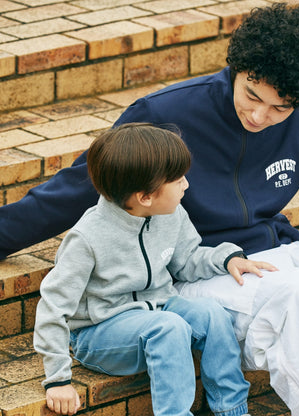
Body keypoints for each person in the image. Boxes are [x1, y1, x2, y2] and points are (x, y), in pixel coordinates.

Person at [1, 2, 299, 415]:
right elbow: (76, 189)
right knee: (298, 295)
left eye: (279, 108)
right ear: (238, 68)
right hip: (199, 276)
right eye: (252, 95)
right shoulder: (165, 114)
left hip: (270, 259)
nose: (259, 115)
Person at [34, 123, 275, 416]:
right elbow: (53, 307)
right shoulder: (87, 238)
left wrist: (226, 259)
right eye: (178, 180)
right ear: (145, 197)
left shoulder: (170, 214)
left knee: (212, 314)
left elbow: (187, 259)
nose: (186, 185)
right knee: (169, 327)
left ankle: (232, 410)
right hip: (100, 332)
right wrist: (58, 380)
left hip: (159, 308)